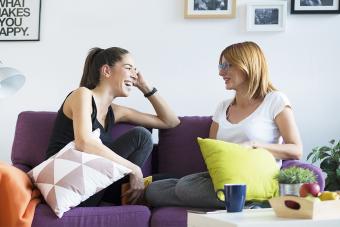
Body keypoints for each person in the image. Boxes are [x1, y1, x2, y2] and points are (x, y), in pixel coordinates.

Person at [145, 41, 303, 209]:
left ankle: (252, 200)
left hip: (255, 178)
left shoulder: (275, 100)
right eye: (221, 66)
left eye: (227, 66)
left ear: (247, 65)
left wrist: (255, 145)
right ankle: (242, 203)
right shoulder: (223, 107)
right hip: (224, 176)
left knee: (184, 187)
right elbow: (212, 153)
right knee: (154, 190)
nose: (221, 72)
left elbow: (296, 150)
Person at [45, 47, 180, 206]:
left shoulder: (115, 111)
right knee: (140, 136)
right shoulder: (82, 95)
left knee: (172, 180)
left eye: (135, 70)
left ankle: (126, 198)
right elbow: (84, 142)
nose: (134, 74)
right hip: (67, 184)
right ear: (106, 71)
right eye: (128, 68)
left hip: (95, 187)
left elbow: (170, 122)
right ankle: (125, 200)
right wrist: (134, 169)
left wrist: (145, 87)